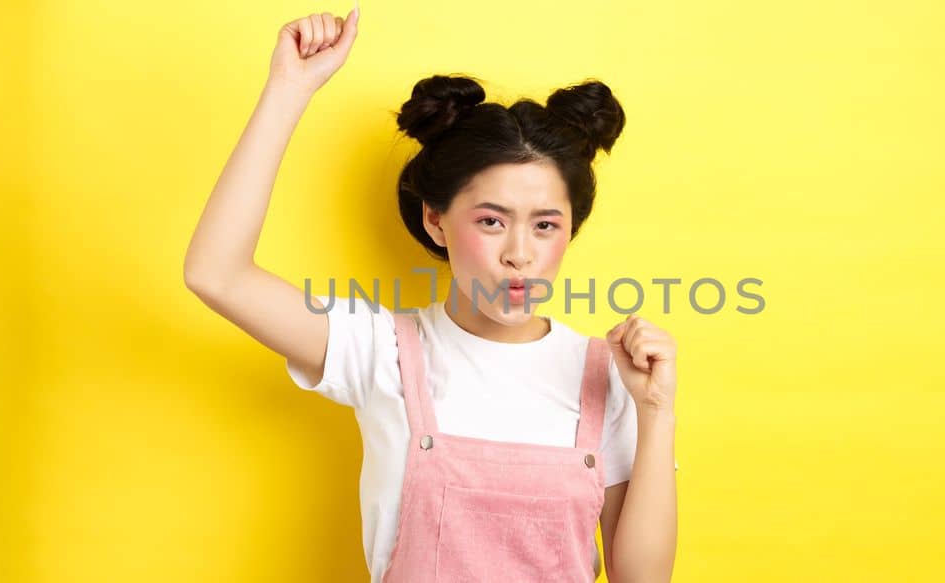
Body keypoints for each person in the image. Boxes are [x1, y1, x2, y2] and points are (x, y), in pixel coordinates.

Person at [183, 5, 678, 581]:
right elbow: (216, 274)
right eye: (491, 221)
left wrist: (656, 411)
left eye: (545, 225)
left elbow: (642, 579)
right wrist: (289, 88)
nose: (519, 253)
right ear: (436, 221)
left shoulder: (612, 375)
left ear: (569, 231)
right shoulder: (379, 351)